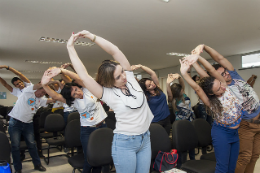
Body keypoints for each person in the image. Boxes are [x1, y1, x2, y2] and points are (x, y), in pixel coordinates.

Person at [61, 30, 154, 173]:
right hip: (125, 143)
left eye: (122, 71)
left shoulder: (129, 78)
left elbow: (115, 51)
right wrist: (70, 47)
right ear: (109, 81)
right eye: (118, 77)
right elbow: (84, 76)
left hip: (145, 138)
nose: (123, 76)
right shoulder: (107, 93)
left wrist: (92, 36)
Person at [192, 44, 260, 173]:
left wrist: (205, 47)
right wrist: (195, 59)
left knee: (254, 156)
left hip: (259, 123)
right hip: (246, 125)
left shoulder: (235, 76)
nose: (226, 74)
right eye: (222, 74)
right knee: (244, 158)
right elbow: (207, 73)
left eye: (225, 71)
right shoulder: (223, 90)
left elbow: (220, 58)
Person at [181, 54, 243, 173]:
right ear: (210, 93)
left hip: (234, 133)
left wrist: (196, 59)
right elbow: (198, 88)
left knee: (232, 168)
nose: (223, 88)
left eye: (220, 84)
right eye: (218, 89)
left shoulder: (224, 85)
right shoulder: (211, 102)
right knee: (222, 168)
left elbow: (210, 71)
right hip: (222, 133)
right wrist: (184, 73)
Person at [42, 67, 107, 173]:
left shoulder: (87, 90)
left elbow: (80, 77)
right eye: (74, 94)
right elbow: (56, 96)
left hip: (102, 127)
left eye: (76, 89)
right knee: (89, 159)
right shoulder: (73, 102)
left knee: (100, 158)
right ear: (71, 97)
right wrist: (44, 85)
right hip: (87, 131)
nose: (77, 93)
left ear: (78, 87)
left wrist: (63, 71)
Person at [8, 83, 54, 173]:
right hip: (15, 123)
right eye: (42, 91)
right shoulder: (28, 91)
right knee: (15, 146)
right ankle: (18, 169)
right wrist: (47, 83)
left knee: (32, 145)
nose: (42, 94)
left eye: (44, 93)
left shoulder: (41, 100)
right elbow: (37, 85)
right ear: (37, 89)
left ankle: (37, 164)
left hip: (28, 124)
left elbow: (53, 99)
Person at [167, 73, 195, 167]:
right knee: (180, 145)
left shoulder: (184, 95)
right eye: (181, 89)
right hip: (179, 125)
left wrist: (179, 77)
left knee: (191, 143)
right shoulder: (173, 100)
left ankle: (193, 161)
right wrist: (168, 84)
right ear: (177, 91)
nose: (183, 89)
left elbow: (182, 84)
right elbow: (169, 94)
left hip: (189, 122)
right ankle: (179, 165)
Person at [133, 64, 171, 135]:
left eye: (151, 82)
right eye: (149, 85)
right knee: (159, 140)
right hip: (156, 121)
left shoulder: (158, 88)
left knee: (167, 138)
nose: (152, 84)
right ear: (146, 89)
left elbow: (152, 73)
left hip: (166, 118)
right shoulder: (145, 96)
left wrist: (141, 66)